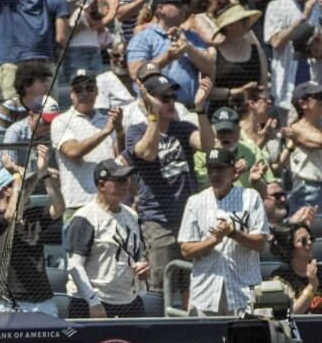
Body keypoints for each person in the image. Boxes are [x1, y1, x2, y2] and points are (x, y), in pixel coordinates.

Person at [126, 73, 215, 296]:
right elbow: (147, 153)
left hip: (188, 218)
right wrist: (154, 116)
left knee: (192, 286)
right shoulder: (136, 131)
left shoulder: (182, 128)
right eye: (164, 98)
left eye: (172, 97)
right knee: (160, 287)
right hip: (158, 221)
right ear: (150, 100)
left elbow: (207, 145)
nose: (170, 102)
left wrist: (200, 108)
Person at [178, 146, 270, 316]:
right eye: (210, 169)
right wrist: (214, 241)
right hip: (205, 292)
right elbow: (186, 250)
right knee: (207, 342)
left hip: (243, 292)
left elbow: (260, 243)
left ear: (234, 171)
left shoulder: (250, 197)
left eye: (220, 168)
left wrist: (233, 233)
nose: (214, 174)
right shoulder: (195, 202)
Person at [0, 146, 64, 316]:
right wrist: (19, 177)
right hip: (10, 302)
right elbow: (11, 216)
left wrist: (44, 175)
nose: (29, 188)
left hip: (43, 301)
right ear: (6, 190)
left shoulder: (33, 215)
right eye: (22, 184)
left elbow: (59, 208)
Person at [64, 159, 149, 318]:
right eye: (119, 181)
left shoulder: (132, 215)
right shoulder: (85, 218)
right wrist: (93, 302)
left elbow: (137, 254)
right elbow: (75, 265)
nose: (125, 185)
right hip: (92, 303)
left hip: (128, 301)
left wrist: (142, 267)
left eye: (126, 180)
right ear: (102, 185)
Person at [126, 0, 216, 108]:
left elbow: (209, 67)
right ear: (160, 9)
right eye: (178, 4)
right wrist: (168, 58)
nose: (185, 8)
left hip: (189, 109)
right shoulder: (143, 38)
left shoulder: (192, 37)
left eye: (185, 4)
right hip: (155, 110)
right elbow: (135, 73)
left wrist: (188, 48)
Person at [52, 69, 122, 215]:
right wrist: (104, 132)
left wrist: (120, 132)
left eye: (89, 88)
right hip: (78, 203)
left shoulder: (107, 120)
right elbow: (73, 152)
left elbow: (119, 158)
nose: (84, 94)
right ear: (71, 94)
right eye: (78, 90)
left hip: (108, 202)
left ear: (97, 92)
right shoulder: (61, 121)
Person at [265, 0, 321, 115]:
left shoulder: (319, 5)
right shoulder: (276, 6)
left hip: (316, 84)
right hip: (285, 86)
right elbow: (275, 42)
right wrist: (302, 18)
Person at [193, 106, 269, 193]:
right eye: (220, 131)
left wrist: (256, 182)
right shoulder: (202, 155)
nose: (225, 136)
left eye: (229, 131)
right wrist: (229, 176)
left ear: (239, 130)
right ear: (211, 131)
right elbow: (202, 192)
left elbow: (270, 190)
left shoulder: (252, 151)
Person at [208, 3, 268, 111]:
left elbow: (263, 86)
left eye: (246, 18)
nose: (247, 21)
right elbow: (207, 92)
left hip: (251, 115)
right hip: (221, 115)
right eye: (242, 19)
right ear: (228, 25)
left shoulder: (257, 50)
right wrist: (234, 92)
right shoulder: (213, 52)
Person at [269, 223, 322, 314]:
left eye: (311, 238)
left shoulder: (320, 271)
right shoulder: (280, 278)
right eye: (303, 240)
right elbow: (293, 313)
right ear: (290, 248)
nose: (309, 243)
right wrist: (312, 286)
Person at [0, 60, 57, 133]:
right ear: (27, 85)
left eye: (48, 81)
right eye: (42, 81)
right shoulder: (8, 107)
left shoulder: (50, 105)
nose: (47, 85)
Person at [288, 82, 322, 212]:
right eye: (317, 97)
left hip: (317, 187)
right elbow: (319, 141)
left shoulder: (319, 126)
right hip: (306, 188)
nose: (321, 100)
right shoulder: (296, 128)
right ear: (303, 104)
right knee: (303, 230)